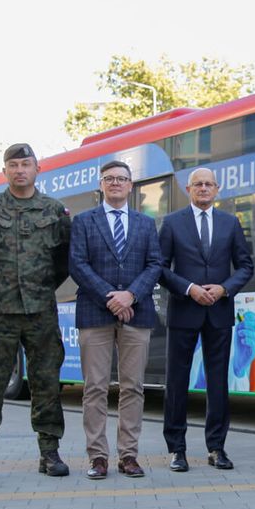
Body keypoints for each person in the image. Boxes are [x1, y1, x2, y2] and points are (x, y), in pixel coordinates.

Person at [0, 143, 72, 480]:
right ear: (5, 172)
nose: (20, 170)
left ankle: (50, 453)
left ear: (38, 169)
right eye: (14, 165)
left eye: (26, 164)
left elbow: (65, 260)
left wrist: (40, 285)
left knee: (46, 383)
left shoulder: (54, 211)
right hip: (0, 313)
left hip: (41, 312)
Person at [69, 160, 162, 480]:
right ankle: (97, 456)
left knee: (133, 387)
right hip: (95, 313)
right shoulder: (83, 221)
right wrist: (112, 297)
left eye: (122, 179)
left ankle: (129, 455)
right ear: (101, 185)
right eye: (109, 179)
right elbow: (78, 265)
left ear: (131, 185)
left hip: (137, 312)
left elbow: (154, 265)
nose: (116, 184)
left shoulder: (145, 223)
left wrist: (130, 296)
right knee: (94, 387)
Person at [158, 168, 253, 471]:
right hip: (184, 311)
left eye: (208, 184)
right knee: (177, 383)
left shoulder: (230, 223)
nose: (203, 188)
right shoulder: (172, 223)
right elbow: (159, 267)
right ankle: (177, 450)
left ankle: (217, 448)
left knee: (217, 384)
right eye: (197, 184)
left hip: (219, 313)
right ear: (188, 189)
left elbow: (245, 266)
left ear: (217, 189)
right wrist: (189, 288)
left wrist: (225, 288)